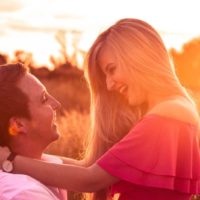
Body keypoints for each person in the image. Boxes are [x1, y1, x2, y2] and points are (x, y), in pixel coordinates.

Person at [0, 18, 200, 200]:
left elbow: (90, 179)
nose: (110, 85)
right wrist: (30, 159)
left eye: (111, 70)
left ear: (138, 57)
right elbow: (89, 166)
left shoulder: (166, 116)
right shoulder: (175, 110)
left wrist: (9, 161)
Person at [0, 63, 67, 200]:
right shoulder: (22, 193)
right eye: (43, 99)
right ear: (18, 124)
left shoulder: (40, 162)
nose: (57, 104)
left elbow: (92, 170)